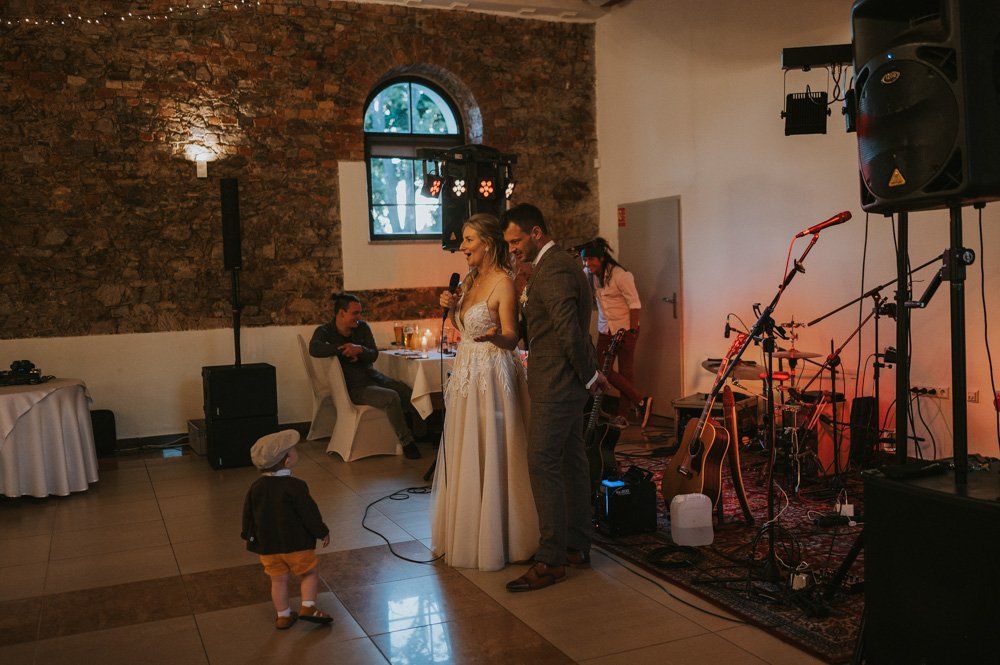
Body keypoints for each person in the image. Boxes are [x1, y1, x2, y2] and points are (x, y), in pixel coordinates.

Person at [501, 203, 610, 592]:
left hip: (558, 384)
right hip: (560, 382)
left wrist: (589, 377)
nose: (512, 249)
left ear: (535, 233)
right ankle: (577, 545)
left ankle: (551, 560)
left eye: (516, 241)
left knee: (542, 463)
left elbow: (569, 332)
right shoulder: (550, 268)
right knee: (571, 461)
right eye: (508, 244)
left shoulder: (557, 268)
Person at [430, 214, 539, 572]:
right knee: (467, 447)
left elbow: (513, 336)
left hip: (493, 373)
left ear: (488, 244)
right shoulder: (468, 282)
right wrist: (451, 304)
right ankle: (467, 532)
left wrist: (494, 337)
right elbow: (461, 325)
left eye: (468, 240)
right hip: (466, 372)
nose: (462, 247)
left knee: (495, 447)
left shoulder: (503, 283)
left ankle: (503, 535)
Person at [310, 293, 422, 459]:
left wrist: (360, 349)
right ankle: (407, 442)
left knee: (406, 390)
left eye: (360, 313)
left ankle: (421, 433)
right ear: (341, 313)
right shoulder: (325, 331)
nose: (359, 317)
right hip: (353, 387)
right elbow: (314, 348)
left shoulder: (362, 328)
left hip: (372, 377)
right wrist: (344, 349)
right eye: (355, 313)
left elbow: (373, 355)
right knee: (391, 397)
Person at [241, 430, 334, 630]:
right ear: (288, 461)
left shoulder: (256, 487)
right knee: (309, 573)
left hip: (268, 548)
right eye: (293, 450)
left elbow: (248, 514)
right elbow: (309, 514)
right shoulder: (296, 486)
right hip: (297, 545)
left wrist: (247, 535)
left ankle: (283, 616)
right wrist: (322, 532)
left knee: (278, 580)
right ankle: (308, 607)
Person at [580, 238, 653, 428]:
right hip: (605, 329)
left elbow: (634, 303)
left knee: (626, 371)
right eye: (585, 260)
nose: (588, 264)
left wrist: (632, 331)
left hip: (625, 328)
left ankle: (623, 415)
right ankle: (640, 400)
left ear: (602, 257)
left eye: (591, 260)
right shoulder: (590, 274)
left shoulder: (620, 275)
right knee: (601, 368)